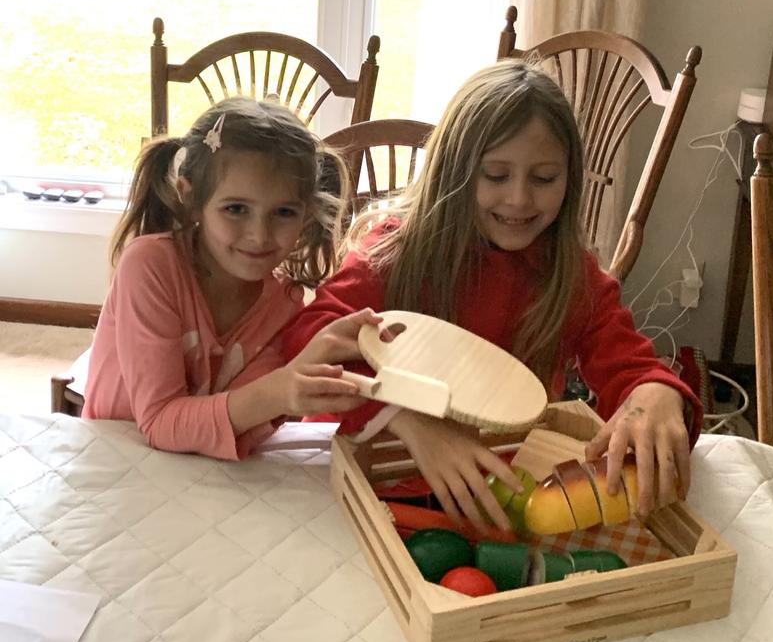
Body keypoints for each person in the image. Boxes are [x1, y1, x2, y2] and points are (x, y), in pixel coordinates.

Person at [282, 59, 703, 534]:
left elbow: (630, 364)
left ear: (570, 181)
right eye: (496, 176)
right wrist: (403, 415)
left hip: (489, 491)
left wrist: (655, 391)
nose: (519, 199)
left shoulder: (570, 275)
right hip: (355, 476)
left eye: (544, 178)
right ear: (454, 173)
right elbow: (309, 338)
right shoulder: (394, 252)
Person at [82, 97, 380, 460]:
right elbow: (160, 422)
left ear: (306, 215)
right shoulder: (149, 266)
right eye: (236, 209)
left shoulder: (284, 305)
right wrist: (280, 390)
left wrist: (306, 366)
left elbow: (243, 427)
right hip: (112, 462)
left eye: (284, 212)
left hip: (197, 474)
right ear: (191, 199)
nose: (259, 235)